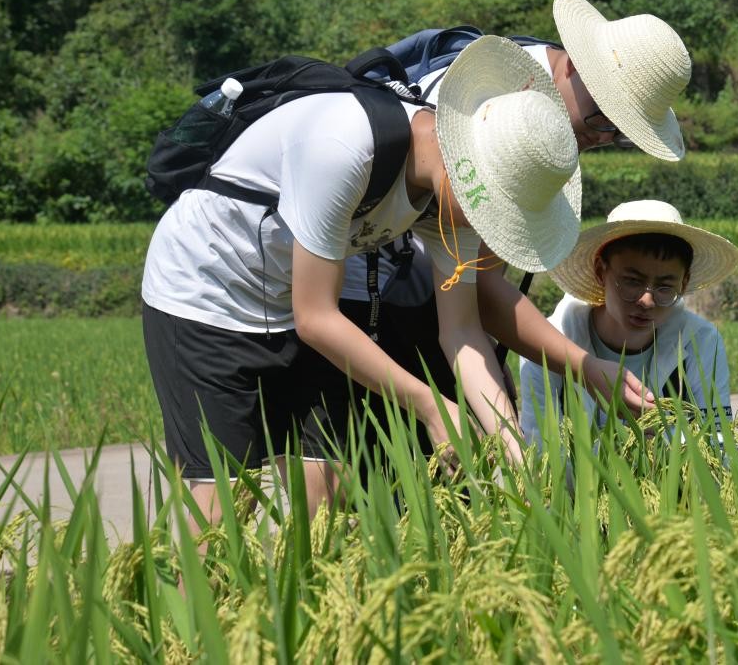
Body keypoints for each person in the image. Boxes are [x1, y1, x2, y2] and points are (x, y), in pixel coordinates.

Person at [141, 36, 649, 528]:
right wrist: (431, 406)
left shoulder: (453, 197)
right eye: (489, 211)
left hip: (290, 296)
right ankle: (190, 613)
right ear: (467, 164)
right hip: (208, 295)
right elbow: (316, 318)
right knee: (222, 507)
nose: (486, 226)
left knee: (330, 488)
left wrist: (513, 448)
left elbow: (462, 332)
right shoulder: (344, 145)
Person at [337, 0, 695, 445]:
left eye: (621, 132)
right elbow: (480, 289)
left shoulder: (553, 122)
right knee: (385, 467)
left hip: (432, 295)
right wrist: (582, 366)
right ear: (572, 66)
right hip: (366, 285)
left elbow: (480, 278)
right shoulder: (489, 99)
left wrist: (490, 352)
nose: (603, 137)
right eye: (604, 118)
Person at [519, 200, 738, 450]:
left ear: (684, 282)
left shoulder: (701, 342)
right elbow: (539, 450)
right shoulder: (548, 344)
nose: (647, 301)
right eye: (632, 282)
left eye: (665, 287)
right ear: (601, 271)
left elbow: (717, 445)